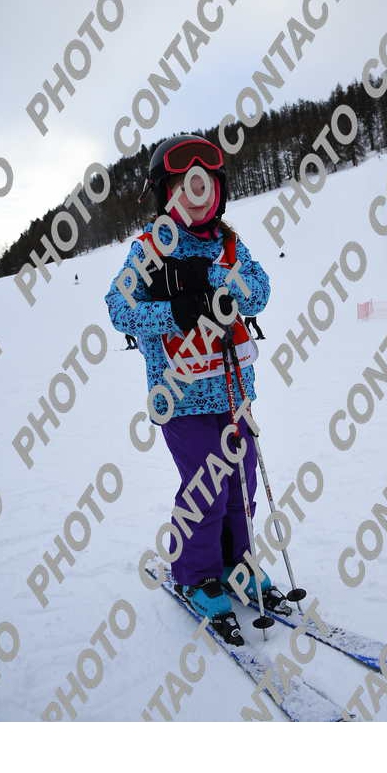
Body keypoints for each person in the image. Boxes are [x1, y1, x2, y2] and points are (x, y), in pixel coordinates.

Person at [105, 134, 286, 628]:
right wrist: (176, 310)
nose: (195, 194)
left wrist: (219, 281)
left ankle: (236, 564)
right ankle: (196, 574)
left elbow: (260, 292)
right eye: (182, 185)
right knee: (207, 485)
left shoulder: (229, 245)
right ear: (165, 194)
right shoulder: (149, 250)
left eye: (204, 184)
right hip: (181, 398)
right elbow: (119, 309)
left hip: (233, 392)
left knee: (241, 482)